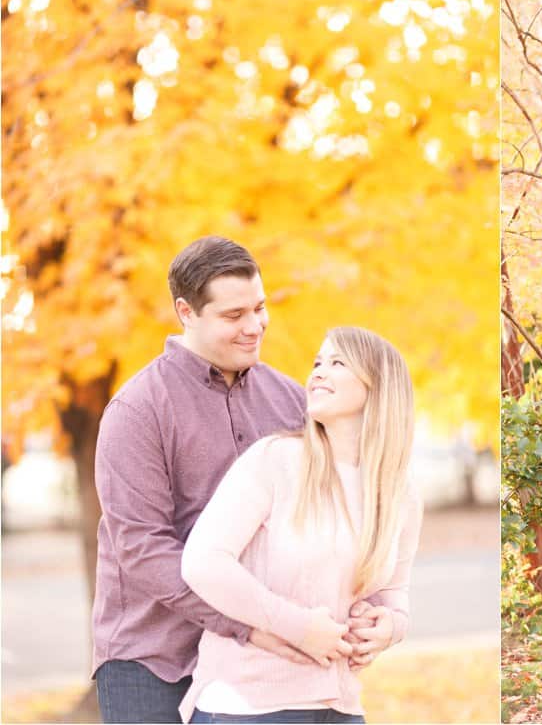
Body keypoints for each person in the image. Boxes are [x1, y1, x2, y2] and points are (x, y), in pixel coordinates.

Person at [91, 237, 380, 723]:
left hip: (255, 664)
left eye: (259, 308)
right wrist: (250, 625)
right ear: (186, 312)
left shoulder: (292, 401)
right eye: (233, 316)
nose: (253, 327)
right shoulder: (137, 411)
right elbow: (143, 548)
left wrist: (372, 612)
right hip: (154, 656)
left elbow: (328, 516)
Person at [178, 326, 423, 723]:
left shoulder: (399, 492)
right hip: (249, 704)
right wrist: (296, 626)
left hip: (338, 705)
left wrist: (389, 627)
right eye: (317, 362)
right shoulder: (275, 460)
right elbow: (202, 562)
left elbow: (394, 592)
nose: (319, 372)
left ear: (379, 386)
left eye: (337, 362)